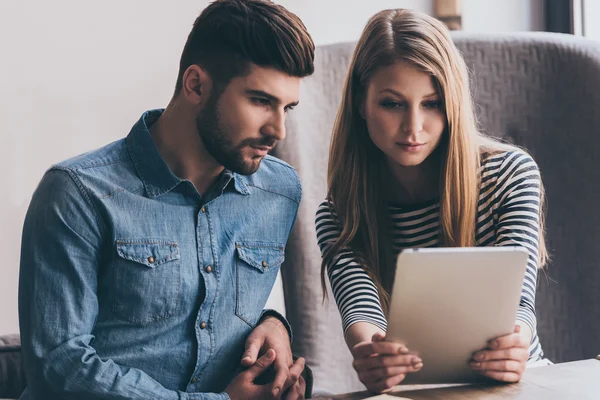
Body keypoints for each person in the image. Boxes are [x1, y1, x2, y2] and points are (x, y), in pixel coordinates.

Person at [18, 1, 314, 399]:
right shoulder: (78, 193)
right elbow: (59, 366)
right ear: (196, 85)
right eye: (261, 101)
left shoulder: (279, 191)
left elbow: (207, 309)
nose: (277, 130)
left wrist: (274, 324)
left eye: (287, 108)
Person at [315, 8, 548, 394]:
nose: (413, 127)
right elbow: (362, 314)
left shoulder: (510, 174)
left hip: (521, 384)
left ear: (452, 103)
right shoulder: (340, 213)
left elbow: (520, 305)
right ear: (360, 103)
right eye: (392, 104)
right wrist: (371, 354)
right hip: (420, 393)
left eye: (432, 103)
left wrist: (516, 343)